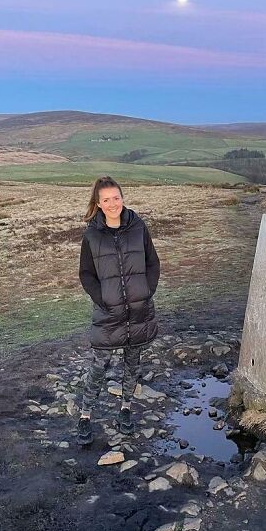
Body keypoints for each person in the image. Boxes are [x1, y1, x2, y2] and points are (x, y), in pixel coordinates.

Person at [76, 176, 160, 445]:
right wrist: (103, 299)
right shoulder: (91, 235)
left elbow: (152, 263)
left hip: (138, 310)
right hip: (108, 313)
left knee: (132, 364)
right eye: (106, 200)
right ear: (98, 204)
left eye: (116, 198)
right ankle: (85, 415)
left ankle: (125, 409)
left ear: (122, 198)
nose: (112, 204)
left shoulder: (138, 227)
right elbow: (86, 274)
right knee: (99, 366)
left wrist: (146, 291)